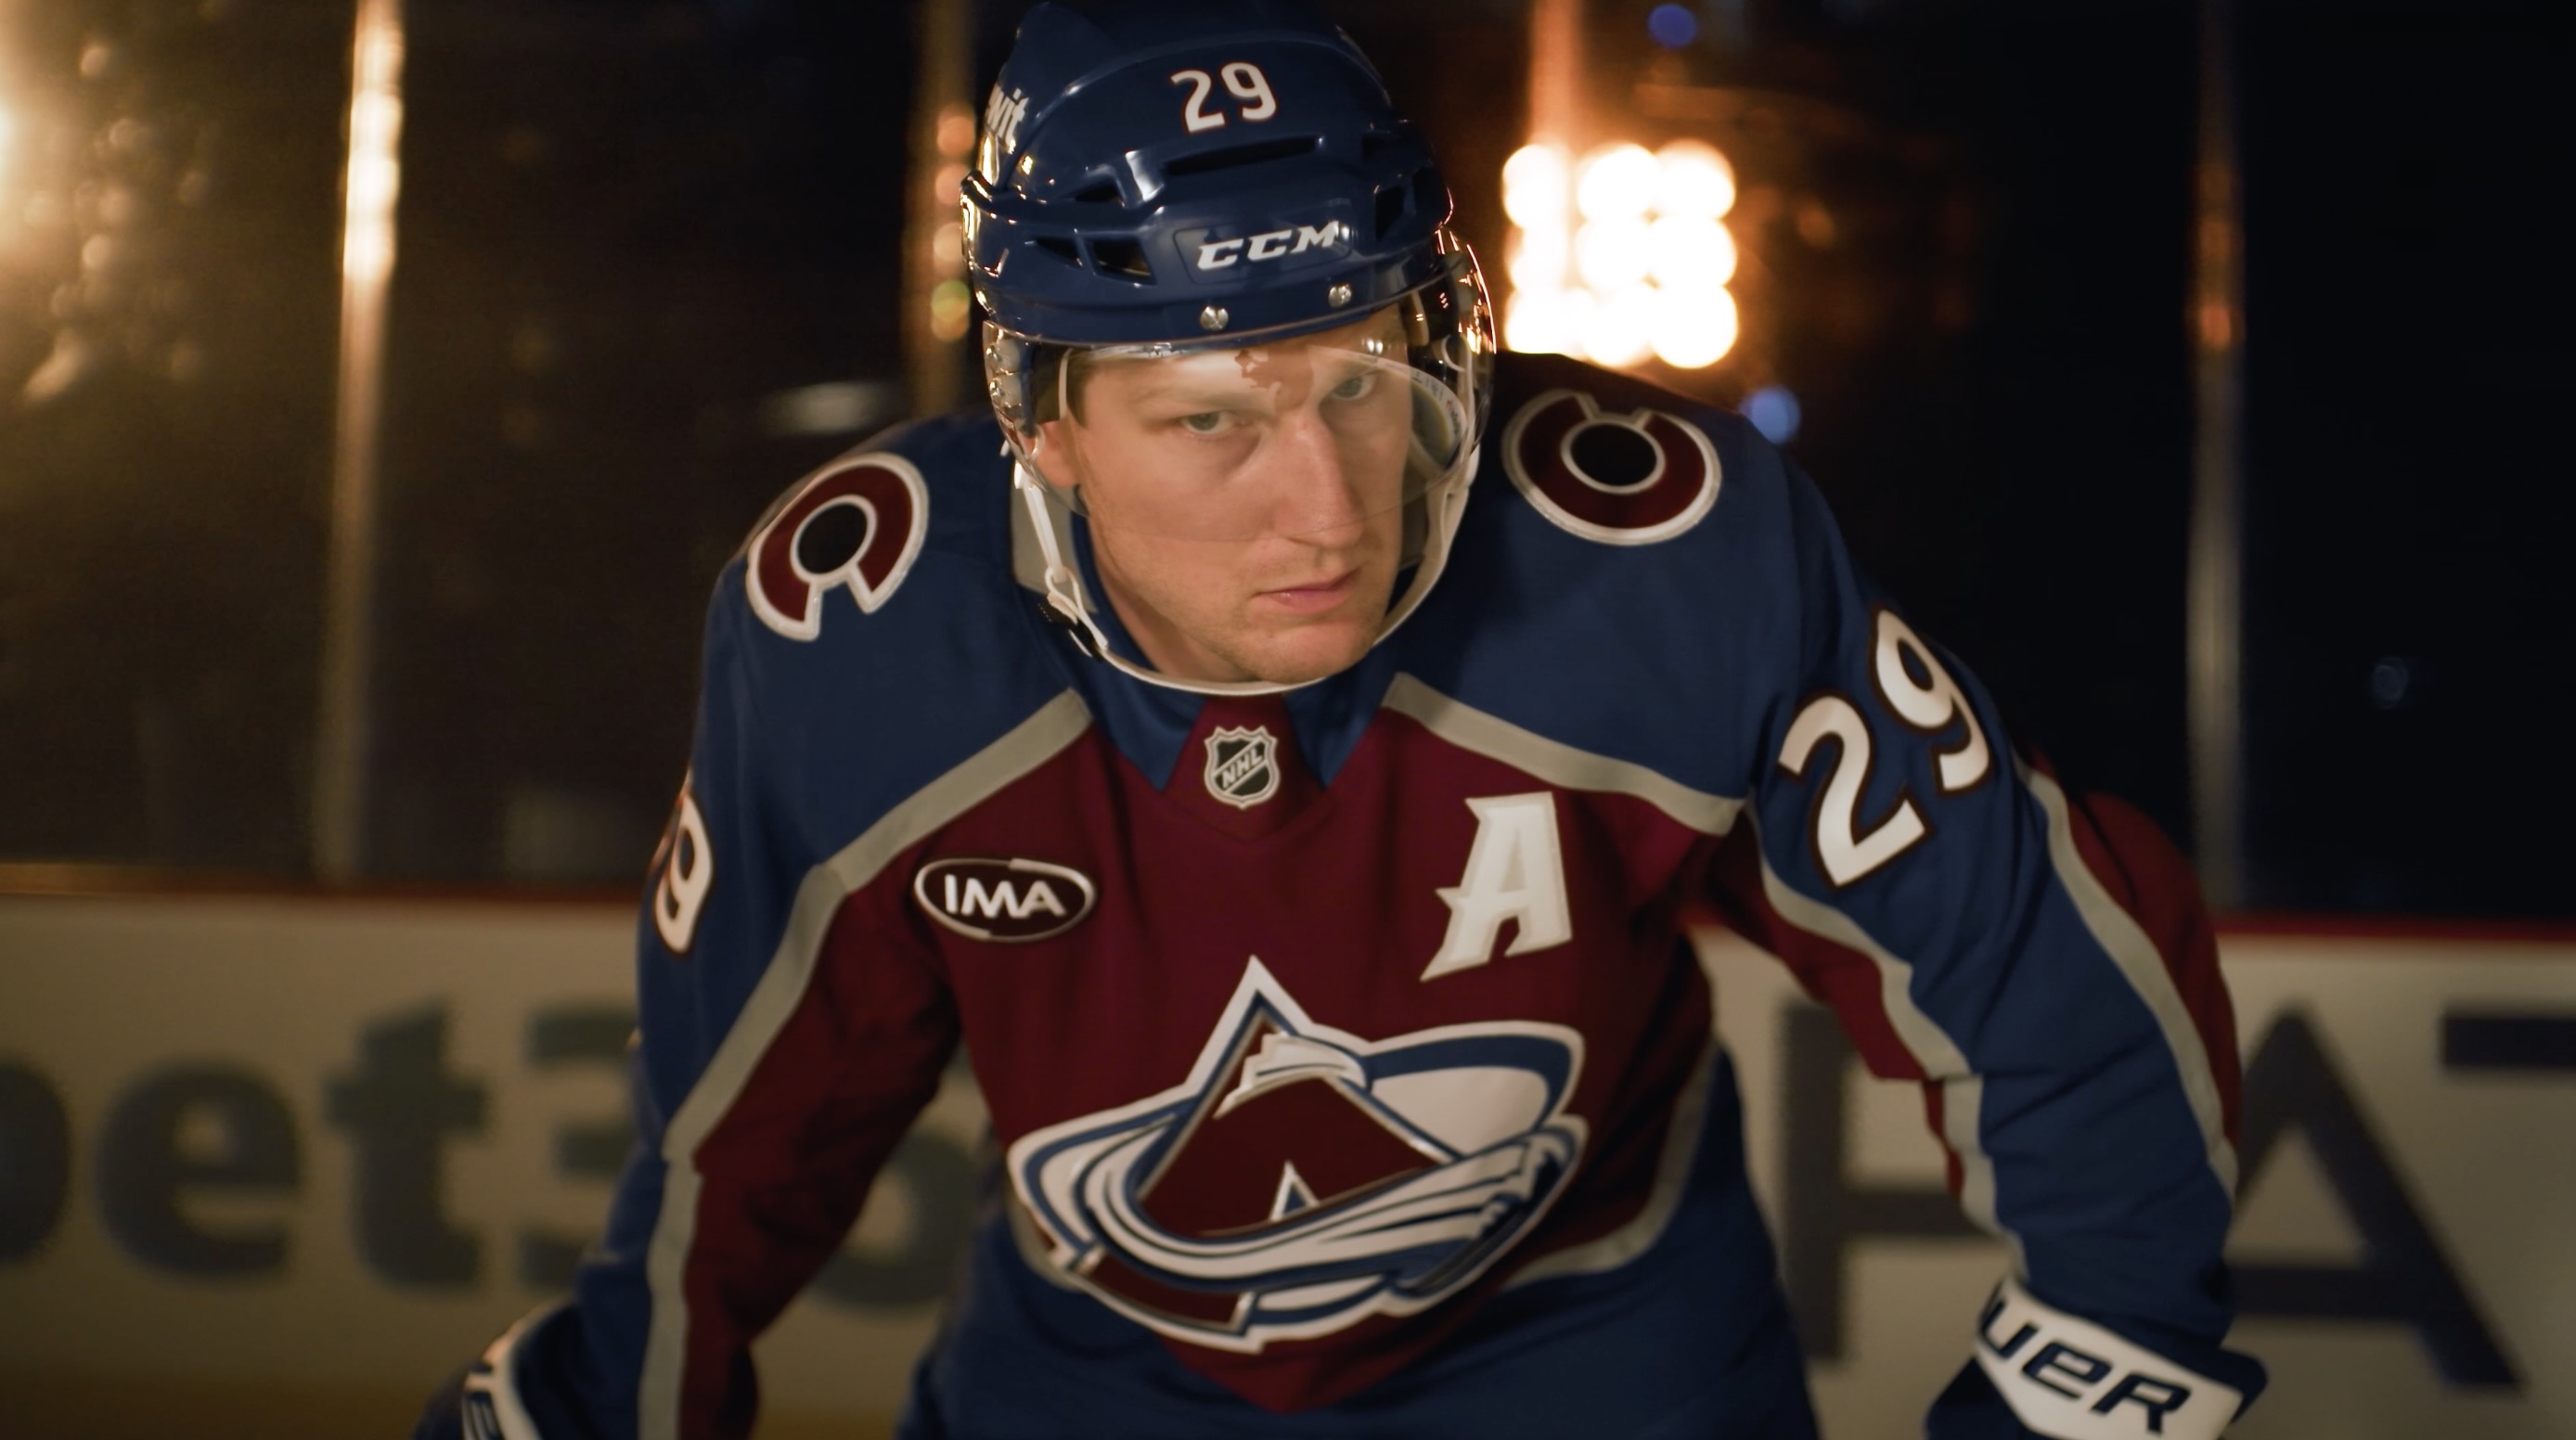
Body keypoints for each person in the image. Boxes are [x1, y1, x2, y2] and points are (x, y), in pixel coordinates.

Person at [418, 2, 2265, 1436]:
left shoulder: (1660, 558)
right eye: (1209, 414)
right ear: (1037, 424)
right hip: (1091, 1371)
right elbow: (742, 1130)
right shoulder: (861, 639)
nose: (1326, 506)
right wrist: (609, 1391)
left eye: (1362, 382)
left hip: (1606, 1353)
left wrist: (2105, 1338)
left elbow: (2035, 966)